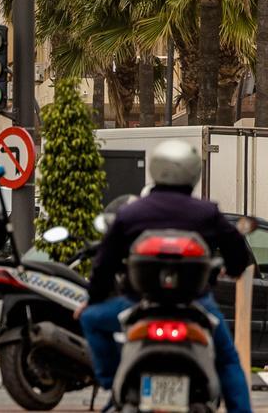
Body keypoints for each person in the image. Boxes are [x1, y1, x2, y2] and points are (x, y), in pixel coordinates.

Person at [76, 140, 252, 413]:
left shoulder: (130, 213)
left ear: (155, 169)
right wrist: (232, 270)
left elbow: (104, 264)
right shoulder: (207, 213)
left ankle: (113, 383)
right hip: (196, 306)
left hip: (138, 305)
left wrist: (93, 299)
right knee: (228, 360)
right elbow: (238, 255)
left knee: (89, 319)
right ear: (193, 172)